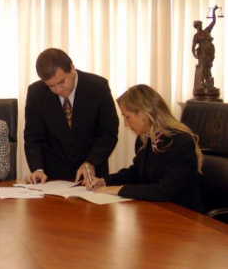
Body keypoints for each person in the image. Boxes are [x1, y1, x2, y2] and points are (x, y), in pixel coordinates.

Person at [87, 84, 204, 213]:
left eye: (127, 117)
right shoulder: (145, 139)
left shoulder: (181, 142)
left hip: (183, 216)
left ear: (143, 113)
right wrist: (104, 181)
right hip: (156, 210)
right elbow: (136, 173)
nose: (126, 124)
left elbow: (163, 191)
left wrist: (119, 189)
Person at [24, 48, 119, 184]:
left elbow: (108, 133)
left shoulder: (98, 87)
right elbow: (33, 137)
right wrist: (38, 169)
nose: (58, 90)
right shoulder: (36, 93)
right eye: (51, 86)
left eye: (61, 82)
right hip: (52, 177)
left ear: (72, 68)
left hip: (91, 174)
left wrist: (90, 162)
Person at [192, 5, 218, 88]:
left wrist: (214, 11)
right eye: (198, 25)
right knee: (203, 66)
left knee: (209, 65)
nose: (200, 26)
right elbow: (193, 46)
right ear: (196, 27)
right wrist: (194, 54)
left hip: (210, 49)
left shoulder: (207, 30)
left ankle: (208, 81)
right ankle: (203, 82)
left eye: (200, 24)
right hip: (202, 51)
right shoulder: (196, 35)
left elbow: (213, 21)